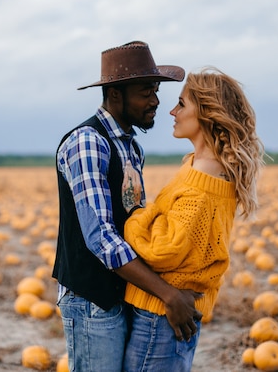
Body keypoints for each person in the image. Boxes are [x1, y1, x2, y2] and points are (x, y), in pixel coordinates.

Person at [52, 41, 204, 372]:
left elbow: (135, 222)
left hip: (123, 289)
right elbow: (101, 238)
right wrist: (167, 294)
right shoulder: (88, 142)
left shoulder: (130, 147)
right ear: (116, 95)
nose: (156, 101)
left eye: (156, 90)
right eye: (145, 92)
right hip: (92, 298)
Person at [120, 67, 266, 371]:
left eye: (182, 104)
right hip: (168, 312)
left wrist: (134, 210)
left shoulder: (201, 183)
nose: (172, 111)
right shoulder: (199, 165)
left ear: (208, 114)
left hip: (161, 316)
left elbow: (162, 249)